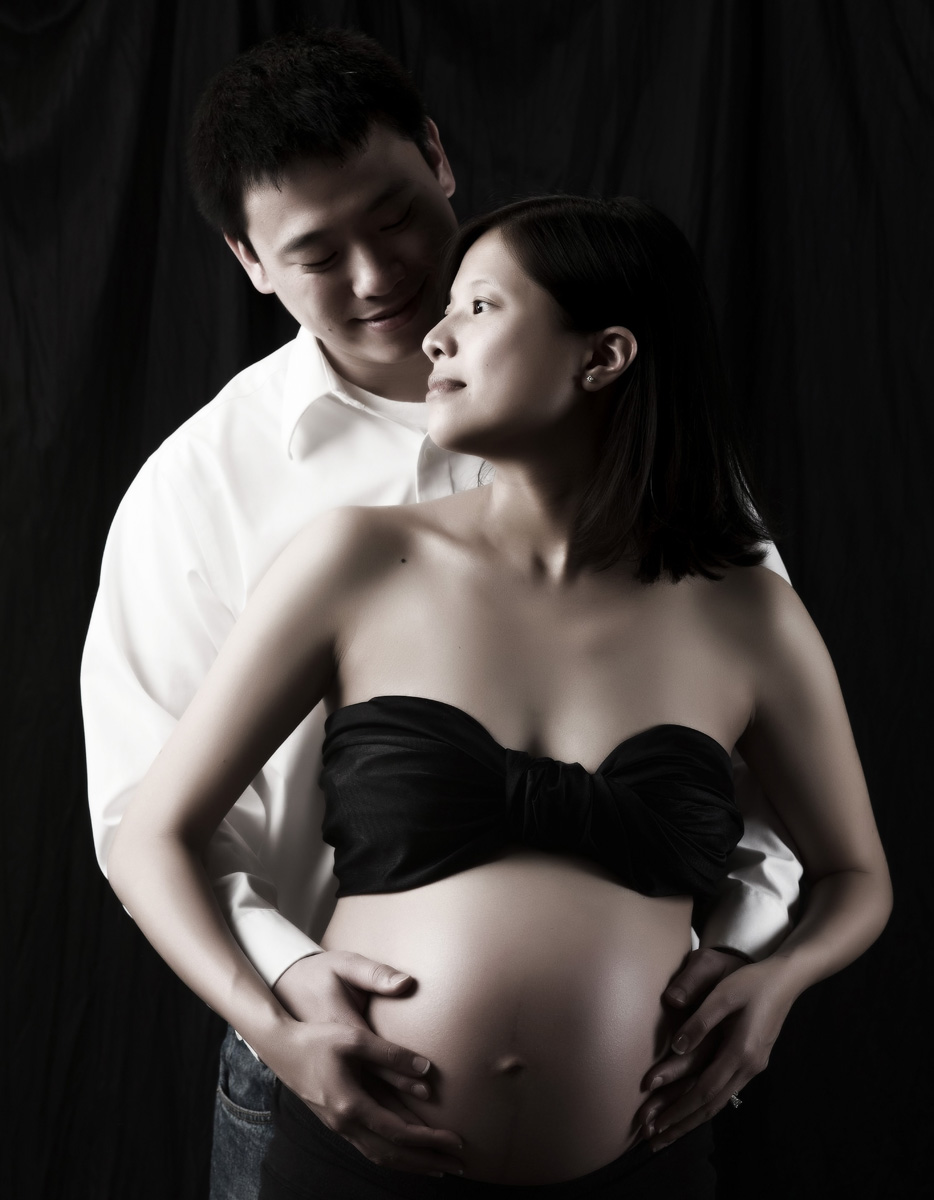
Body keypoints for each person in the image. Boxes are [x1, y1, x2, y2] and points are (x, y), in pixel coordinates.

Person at [81, 29, 803, 1198]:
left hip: (641, 1111)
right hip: (313, 1077)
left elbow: (765, 758)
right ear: (248, 262)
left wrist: (741, 959)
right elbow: (140, 814)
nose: (378, 277)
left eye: (395, 215)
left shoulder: (641, 448)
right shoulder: (201, 487)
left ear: (438, 156)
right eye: (316, 252)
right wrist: (285, 996)